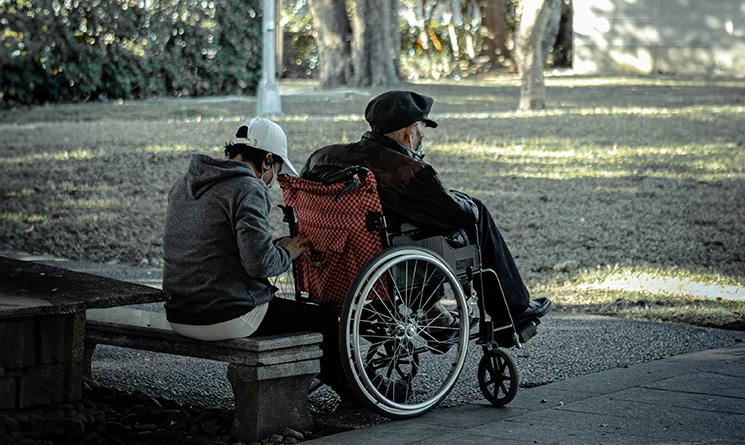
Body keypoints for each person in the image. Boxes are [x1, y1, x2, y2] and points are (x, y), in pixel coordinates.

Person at [302, 91, 550, 326]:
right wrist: (466, 203)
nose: (421, 136)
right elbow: (458, 214)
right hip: (390, 254)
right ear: (410, 132)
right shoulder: (406, 170)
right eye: (421, 129)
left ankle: (437, 313)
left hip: (336, 257)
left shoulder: (323, 157)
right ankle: (512, 310)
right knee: (478, 212)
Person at [161, 117, 344, 388]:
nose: (273, 180)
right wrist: (287, 254)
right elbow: (259, 264)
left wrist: (273, 248)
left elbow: (219, 245)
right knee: (325, 320)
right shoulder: (248, 187)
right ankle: (355, 394)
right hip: (224, 315)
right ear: (267, 160)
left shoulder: (185, 182)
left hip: (178, 312)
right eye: (276, 170)